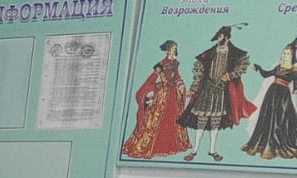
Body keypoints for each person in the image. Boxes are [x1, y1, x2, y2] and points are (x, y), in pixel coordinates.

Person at [177, 25, 257, 162]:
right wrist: (194, 88)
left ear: (226, 37)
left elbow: (243, 64)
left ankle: (212, 150)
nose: (218, 38)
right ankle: (194, 151)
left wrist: (230, 75)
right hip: (207, 89)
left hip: (221, 91)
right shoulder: (209, 53)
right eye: (218, 36)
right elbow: (199, 70)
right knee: (201, 120)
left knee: (215, 122)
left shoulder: (235, 53)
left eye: (220, 36)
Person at [122, 41, 193, 159]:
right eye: (172, 48)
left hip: (174, 94)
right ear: (168, 49)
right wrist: (149, 90)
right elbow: (153, 77)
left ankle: (170, 145)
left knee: (172, 118)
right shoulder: (161, 63)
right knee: (156, 119)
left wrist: (182, 87)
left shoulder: (176, 62)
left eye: (175, 48)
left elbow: (177, 77)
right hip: (163, 94)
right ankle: (154, 147)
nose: (173, 50)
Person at [242, 42, 297, 160]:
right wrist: (259, 68)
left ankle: (278, 144)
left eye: (288, 54)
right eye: (284, 53)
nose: (285, 55)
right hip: (272, 94)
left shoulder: (294, 69)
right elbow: (267, 74)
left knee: (281, 119)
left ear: (292, 55)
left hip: (283, 96)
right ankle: (266, 144)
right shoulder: (278, 67)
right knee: (268, 117)